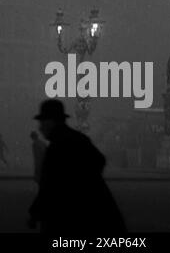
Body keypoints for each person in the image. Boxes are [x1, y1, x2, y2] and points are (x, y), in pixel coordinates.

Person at [28, 99, 126, 234]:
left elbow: (49, 187)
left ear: (50, 122)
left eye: (42, 122)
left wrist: (35, 214)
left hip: (71, 218)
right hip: (96, 214)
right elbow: (99, 160)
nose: (40, 127)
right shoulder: (78, 139)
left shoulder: (57, 147)